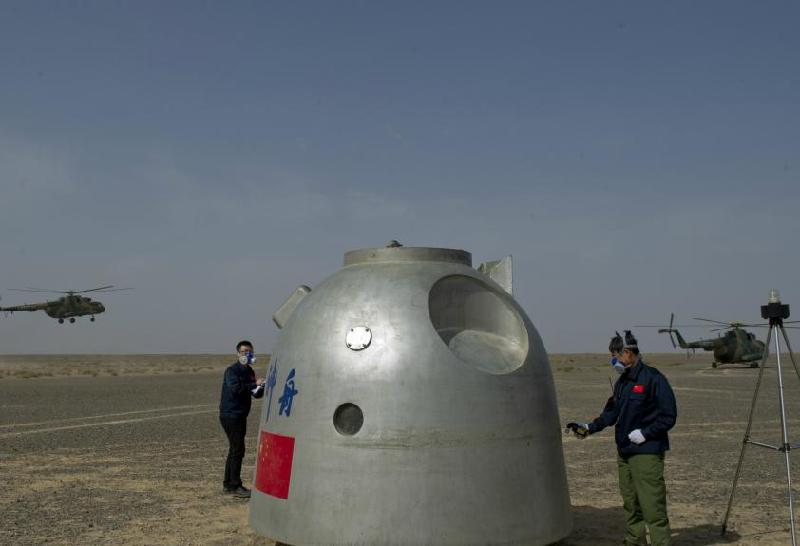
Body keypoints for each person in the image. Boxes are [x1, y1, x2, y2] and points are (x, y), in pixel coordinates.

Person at [566, 330, 677, 546]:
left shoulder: (653, 378)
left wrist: (646, 433)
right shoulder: (622, 382)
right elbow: (611, 413)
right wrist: (588, 427)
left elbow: (669, 416)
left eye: (615, 355)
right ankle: (634, 540)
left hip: (646, 453)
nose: (613, 359)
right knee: (630, 502)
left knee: (652, 505)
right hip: (625, 452)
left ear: (627, 352)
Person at [219, 340, 265, 498]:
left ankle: (228, 484)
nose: (247, 354)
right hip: (230, 415)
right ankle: (235, 485)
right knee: (238, 449)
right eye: (244, 351)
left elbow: (255, 394)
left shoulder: (250, 371)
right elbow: (236, 388)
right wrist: (253, 384)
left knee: (234, 449)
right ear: (238, 353)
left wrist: (262, 386)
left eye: (249, 351)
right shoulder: (232, 371)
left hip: (240, 415)